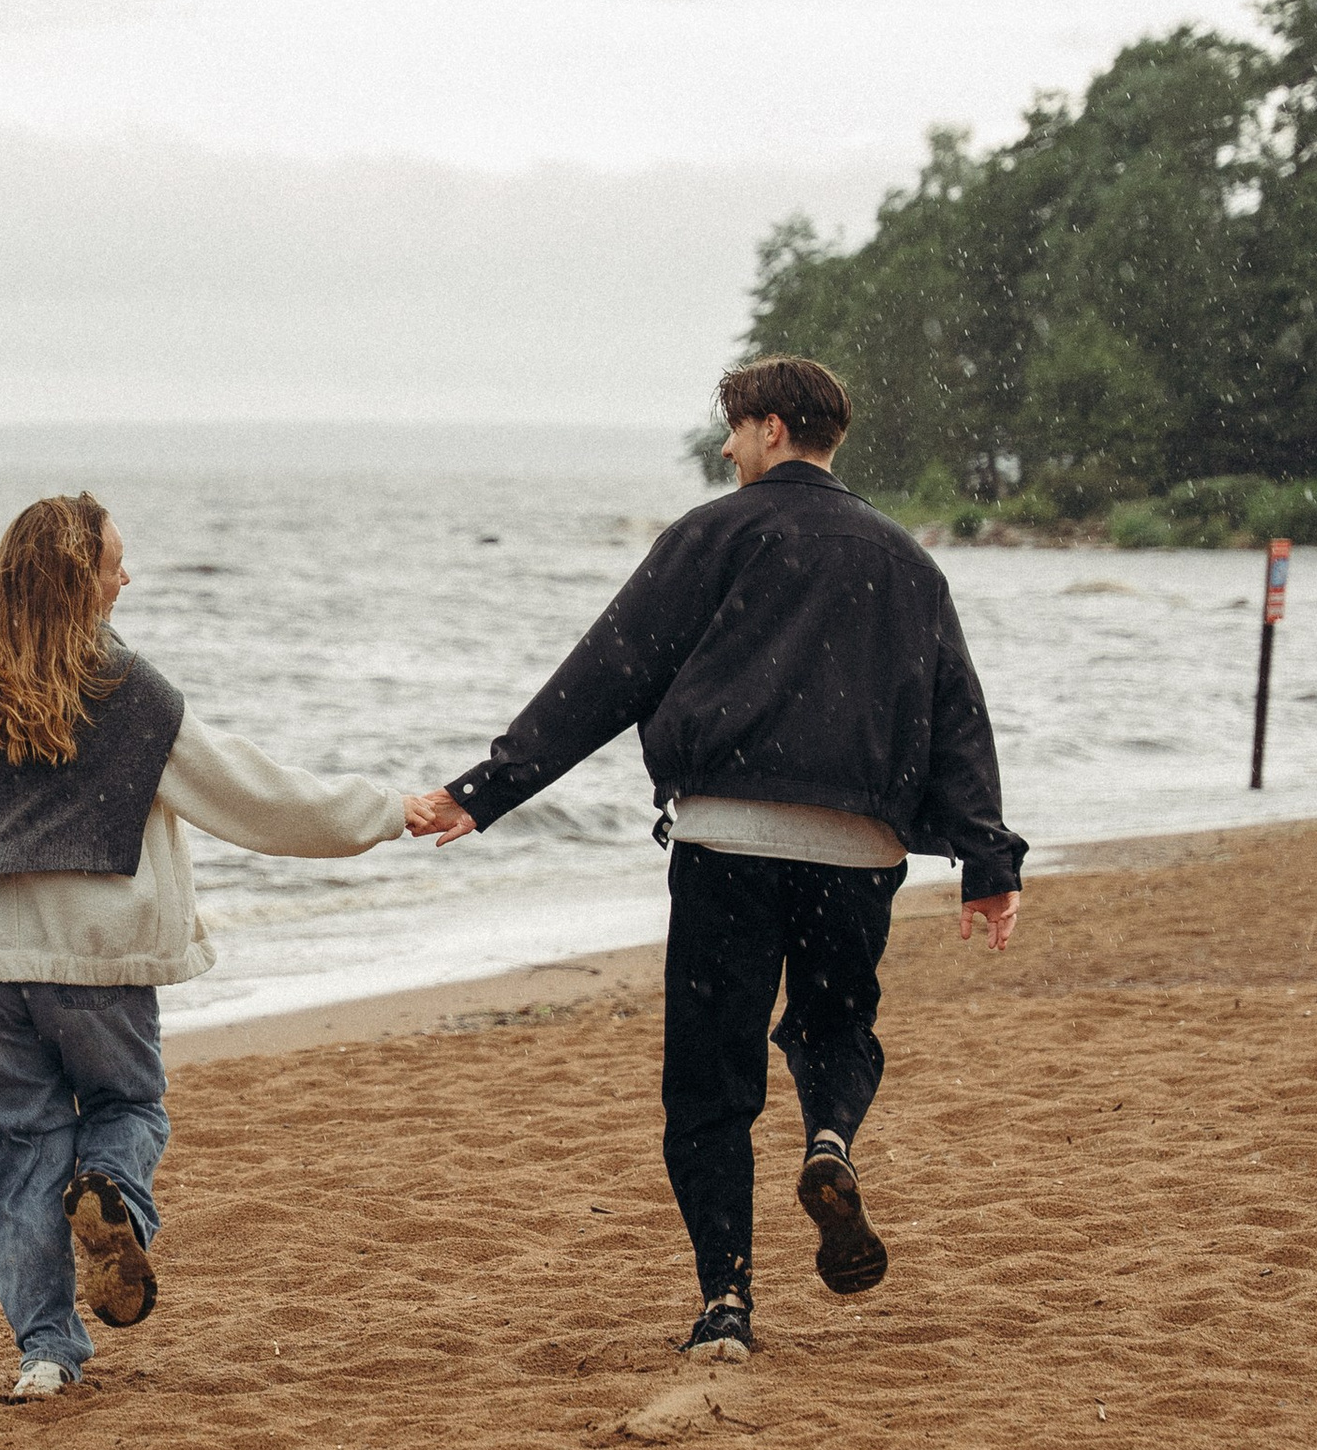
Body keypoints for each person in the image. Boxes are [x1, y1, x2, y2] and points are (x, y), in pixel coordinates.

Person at [405, 357, 1024, 1357]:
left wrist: (491, 790)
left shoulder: (712, 533)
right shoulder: (906, 561)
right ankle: (828, 1140)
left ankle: (726, 1304)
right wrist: (989, 861)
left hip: (725, 842)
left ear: (772, 429)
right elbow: (956, 712)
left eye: (734, 431)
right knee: (836, 1031)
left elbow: (608, 673)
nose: (727, 448)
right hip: (857, 851)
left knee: (709, 1085)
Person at [0, 491, 407, 1401]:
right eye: (112, 564)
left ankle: (46, 1356)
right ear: (76, 583)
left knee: (13, 1164)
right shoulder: (130, 693)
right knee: (129, 1107)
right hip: (97, 961)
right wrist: (388, 811)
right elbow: (254, 797)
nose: (127, 578)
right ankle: (112, 1189)